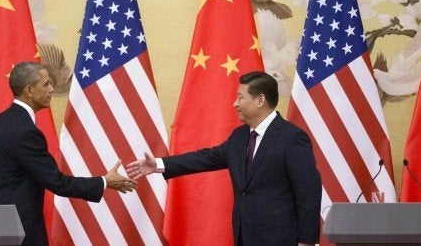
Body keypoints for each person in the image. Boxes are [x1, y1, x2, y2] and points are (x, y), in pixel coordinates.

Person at [127, 71, 322, 246]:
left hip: (281, 239)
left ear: (260, 100)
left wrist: (307, 241)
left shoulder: (292, 137)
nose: (234, 103)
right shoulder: (240, 136)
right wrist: (159, 164)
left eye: (240, 97)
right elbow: (206, 158)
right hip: (243, 237)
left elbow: (308, 193)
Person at [0, 62, 136, 246]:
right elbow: (58, 183)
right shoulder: (25, 131)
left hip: (0, 227)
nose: (52, 90)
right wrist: (104, 181)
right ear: (29, 90)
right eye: (46, 84)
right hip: (21, 231)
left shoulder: (1, 122)